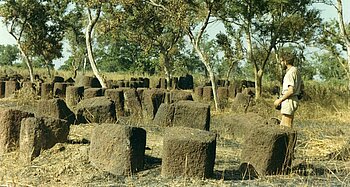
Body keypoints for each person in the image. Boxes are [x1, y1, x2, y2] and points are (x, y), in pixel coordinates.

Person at [274, 52, 303, 128]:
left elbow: (290, 90)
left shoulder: (290, 73)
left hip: (289, 100)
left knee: (286, 126)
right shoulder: (296, 71)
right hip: (292, 100)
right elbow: (301, 88)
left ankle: (289, 140)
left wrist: (280, 100)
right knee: (284, 124)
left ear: (285, 61)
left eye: (281, 61)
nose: (281, 63)